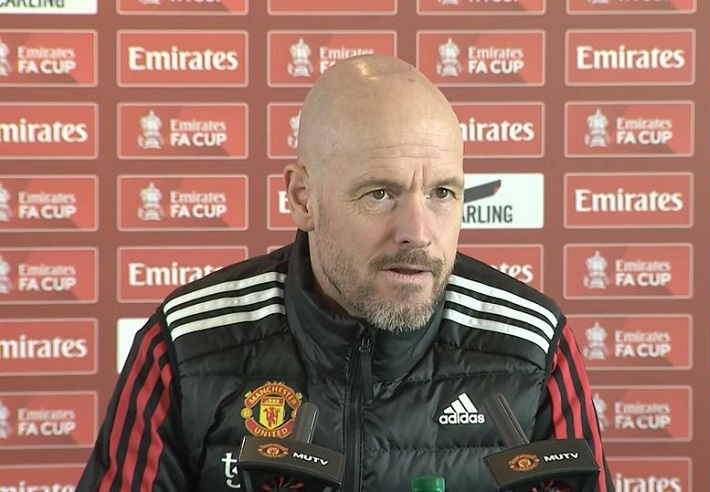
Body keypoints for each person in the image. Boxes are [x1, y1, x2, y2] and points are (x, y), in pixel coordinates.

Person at [78, 54, 615, 491]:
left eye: (442, 193)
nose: (418, 232)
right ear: (302, 198)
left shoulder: (532, 345)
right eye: (380, 193)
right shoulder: (186, 341)